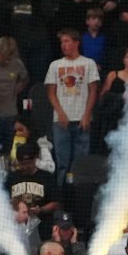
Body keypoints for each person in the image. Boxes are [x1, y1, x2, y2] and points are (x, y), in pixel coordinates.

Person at [44, 28, 100, 174]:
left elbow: (93, 90)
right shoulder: (55, 65)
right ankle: (62, 193)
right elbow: (51, 92)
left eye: (67, 41)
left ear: (76, 43)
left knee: (81, 163)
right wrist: (60, 113)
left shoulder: (89, 63)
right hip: (61, 120)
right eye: (62, 42)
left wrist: (87, 115)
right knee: (62, 162)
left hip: (82, 118)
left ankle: (79, 193)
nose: (63, 45)